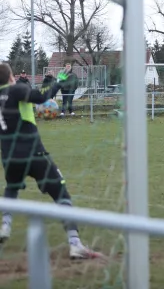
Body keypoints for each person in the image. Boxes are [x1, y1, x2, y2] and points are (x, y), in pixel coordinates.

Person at [0, 63, 99, 258]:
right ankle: (75, 244)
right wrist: (58, 82)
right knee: (61, 193)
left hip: (10, 157)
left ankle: (5, 226)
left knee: (11, 188)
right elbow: (43, 96)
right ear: (11, 77)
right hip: (34, 154)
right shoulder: (17, 89)